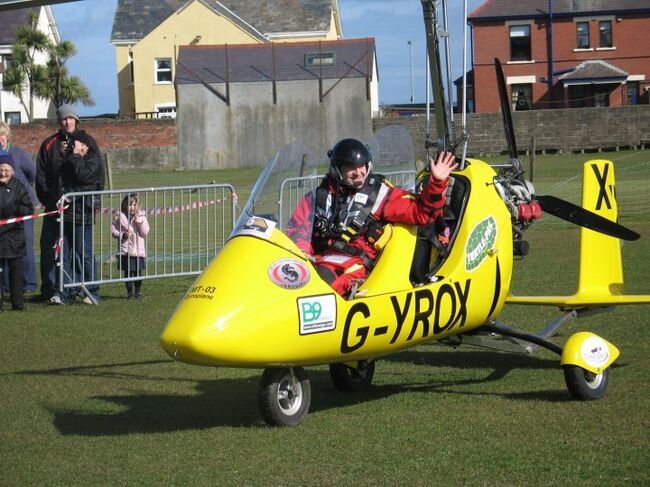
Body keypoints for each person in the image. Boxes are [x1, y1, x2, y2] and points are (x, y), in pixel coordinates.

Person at [286, 138, 457, 297]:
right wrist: (301, 254)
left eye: (362, 166)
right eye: (351, 167)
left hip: (355, 266)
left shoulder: (381, 194)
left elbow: (422, 213)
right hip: (317, 260)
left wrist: (437, 182)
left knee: (320, 284)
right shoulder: (318, 197)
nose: (359, 172)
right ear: (337, 169)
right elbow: (297, 230)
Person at [35, 104, 105, 305]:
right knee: (60, 253)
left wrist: (74, 155)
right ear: (59, 121)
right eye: (64, 119)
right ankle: (60, 291)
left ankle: (90, 291)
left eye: (71, 118)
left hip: (82, 207)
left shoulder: (87, 142)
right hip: (58, 208)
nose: (67, 122)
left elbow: (91, 176)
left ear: (76, 120)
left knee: (85, 253)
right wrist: (49, 200)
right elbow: (42, 177)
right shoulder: (50, 144)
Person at [0, 121, 38, 295]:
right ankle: (7, 285)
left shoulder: (19, 154)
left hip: (23, 208)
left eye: (2, 134)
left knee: (26, 246)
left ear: (7, 136)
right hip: (4, 211)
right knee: (5, 247)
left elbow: (33, 173)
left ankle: (29, 283)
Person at [0, 151, 34, 311]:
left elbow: (29, 208)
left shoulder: (19, 187)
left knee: (16, 273)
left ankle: (17, 303)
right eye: (0, 169)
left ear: (12, 171)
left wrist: (16, 208)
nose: (3, 173)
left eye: (6, 170)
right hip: (0, 237)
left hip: (15, 237)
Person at [110, 193, 150, 299]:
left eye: (134, 205)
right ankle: (129, 293)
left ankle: (138, 292)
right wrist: (122, 235)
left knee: (138, 272)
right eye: (129, 205)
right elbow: (113, 230)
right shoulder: (119, 217)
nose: (132, 207)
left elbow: (145, 232)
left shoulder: (142, 216)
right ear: (124, 205)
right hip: (126, 250)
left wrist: (140, 222)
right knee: (128, 272)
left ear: (137, 205)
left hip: (138, 250)